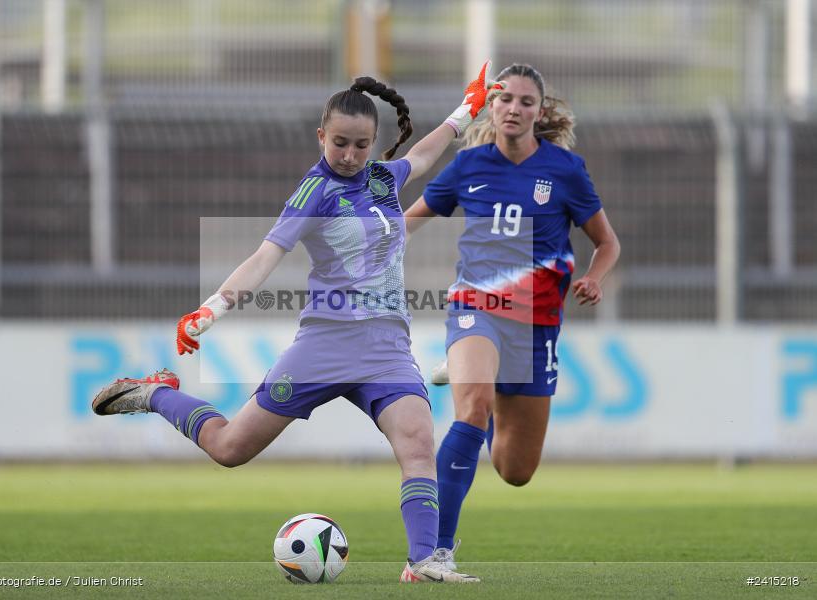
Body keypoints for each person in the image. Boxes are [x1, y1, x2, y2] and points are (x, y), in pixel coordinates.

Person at [91, 65, 501, 583]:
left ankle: (423, 561)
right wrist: (210, 309)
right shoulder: (313, 194)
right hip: (324, 346)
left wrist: (466, 111)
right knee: (229, 449)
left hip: (386, 349)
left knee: (418, 443)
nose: (349, 156)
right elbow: (265, 257)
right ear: (321, 137)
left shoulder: (380, 176)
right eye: (339, 144)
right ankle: (154, 393)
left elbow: (420, 157)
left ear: (374, 144)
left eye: (360, 145)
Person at [404, 63, 621, 568]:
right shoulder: (468, 165)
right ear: (491, 106)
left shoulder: (566, 170)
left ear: (539, 112)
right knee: (472, 408)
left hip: (535, 323)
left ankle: (491, 382)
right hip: (475, 307)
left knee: (515, 470)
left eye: (526, 101)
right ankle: (432, 553)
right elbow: (409, 223)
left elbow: (607, 242)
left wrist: (594, 278)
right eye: (504, 99)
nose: (514, 108)